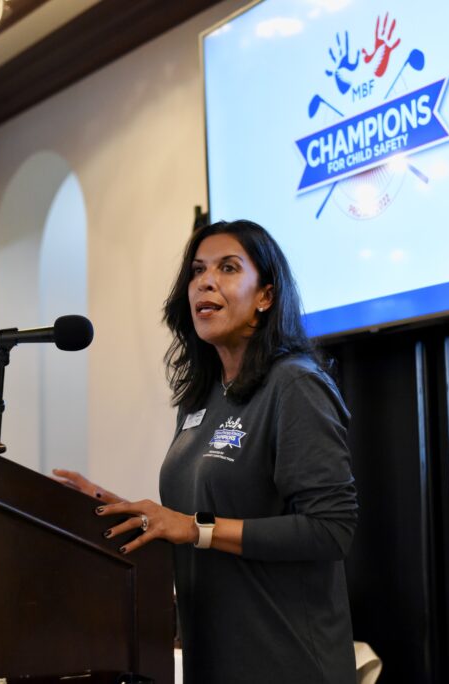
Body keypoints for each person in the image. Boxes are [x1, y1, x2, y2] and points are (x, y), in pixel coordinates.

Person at [53, 219, 358, 683]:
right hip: (212, 659)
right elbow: (192, 522)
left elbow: (331, 529)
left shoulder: (294, 385)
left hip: (287, 662)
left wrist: (195, 528)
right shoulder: (201, 399)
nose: (205, 281)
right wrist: (125, 512)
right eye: (198, 270)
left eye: (228, 268)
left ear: (266, 296)